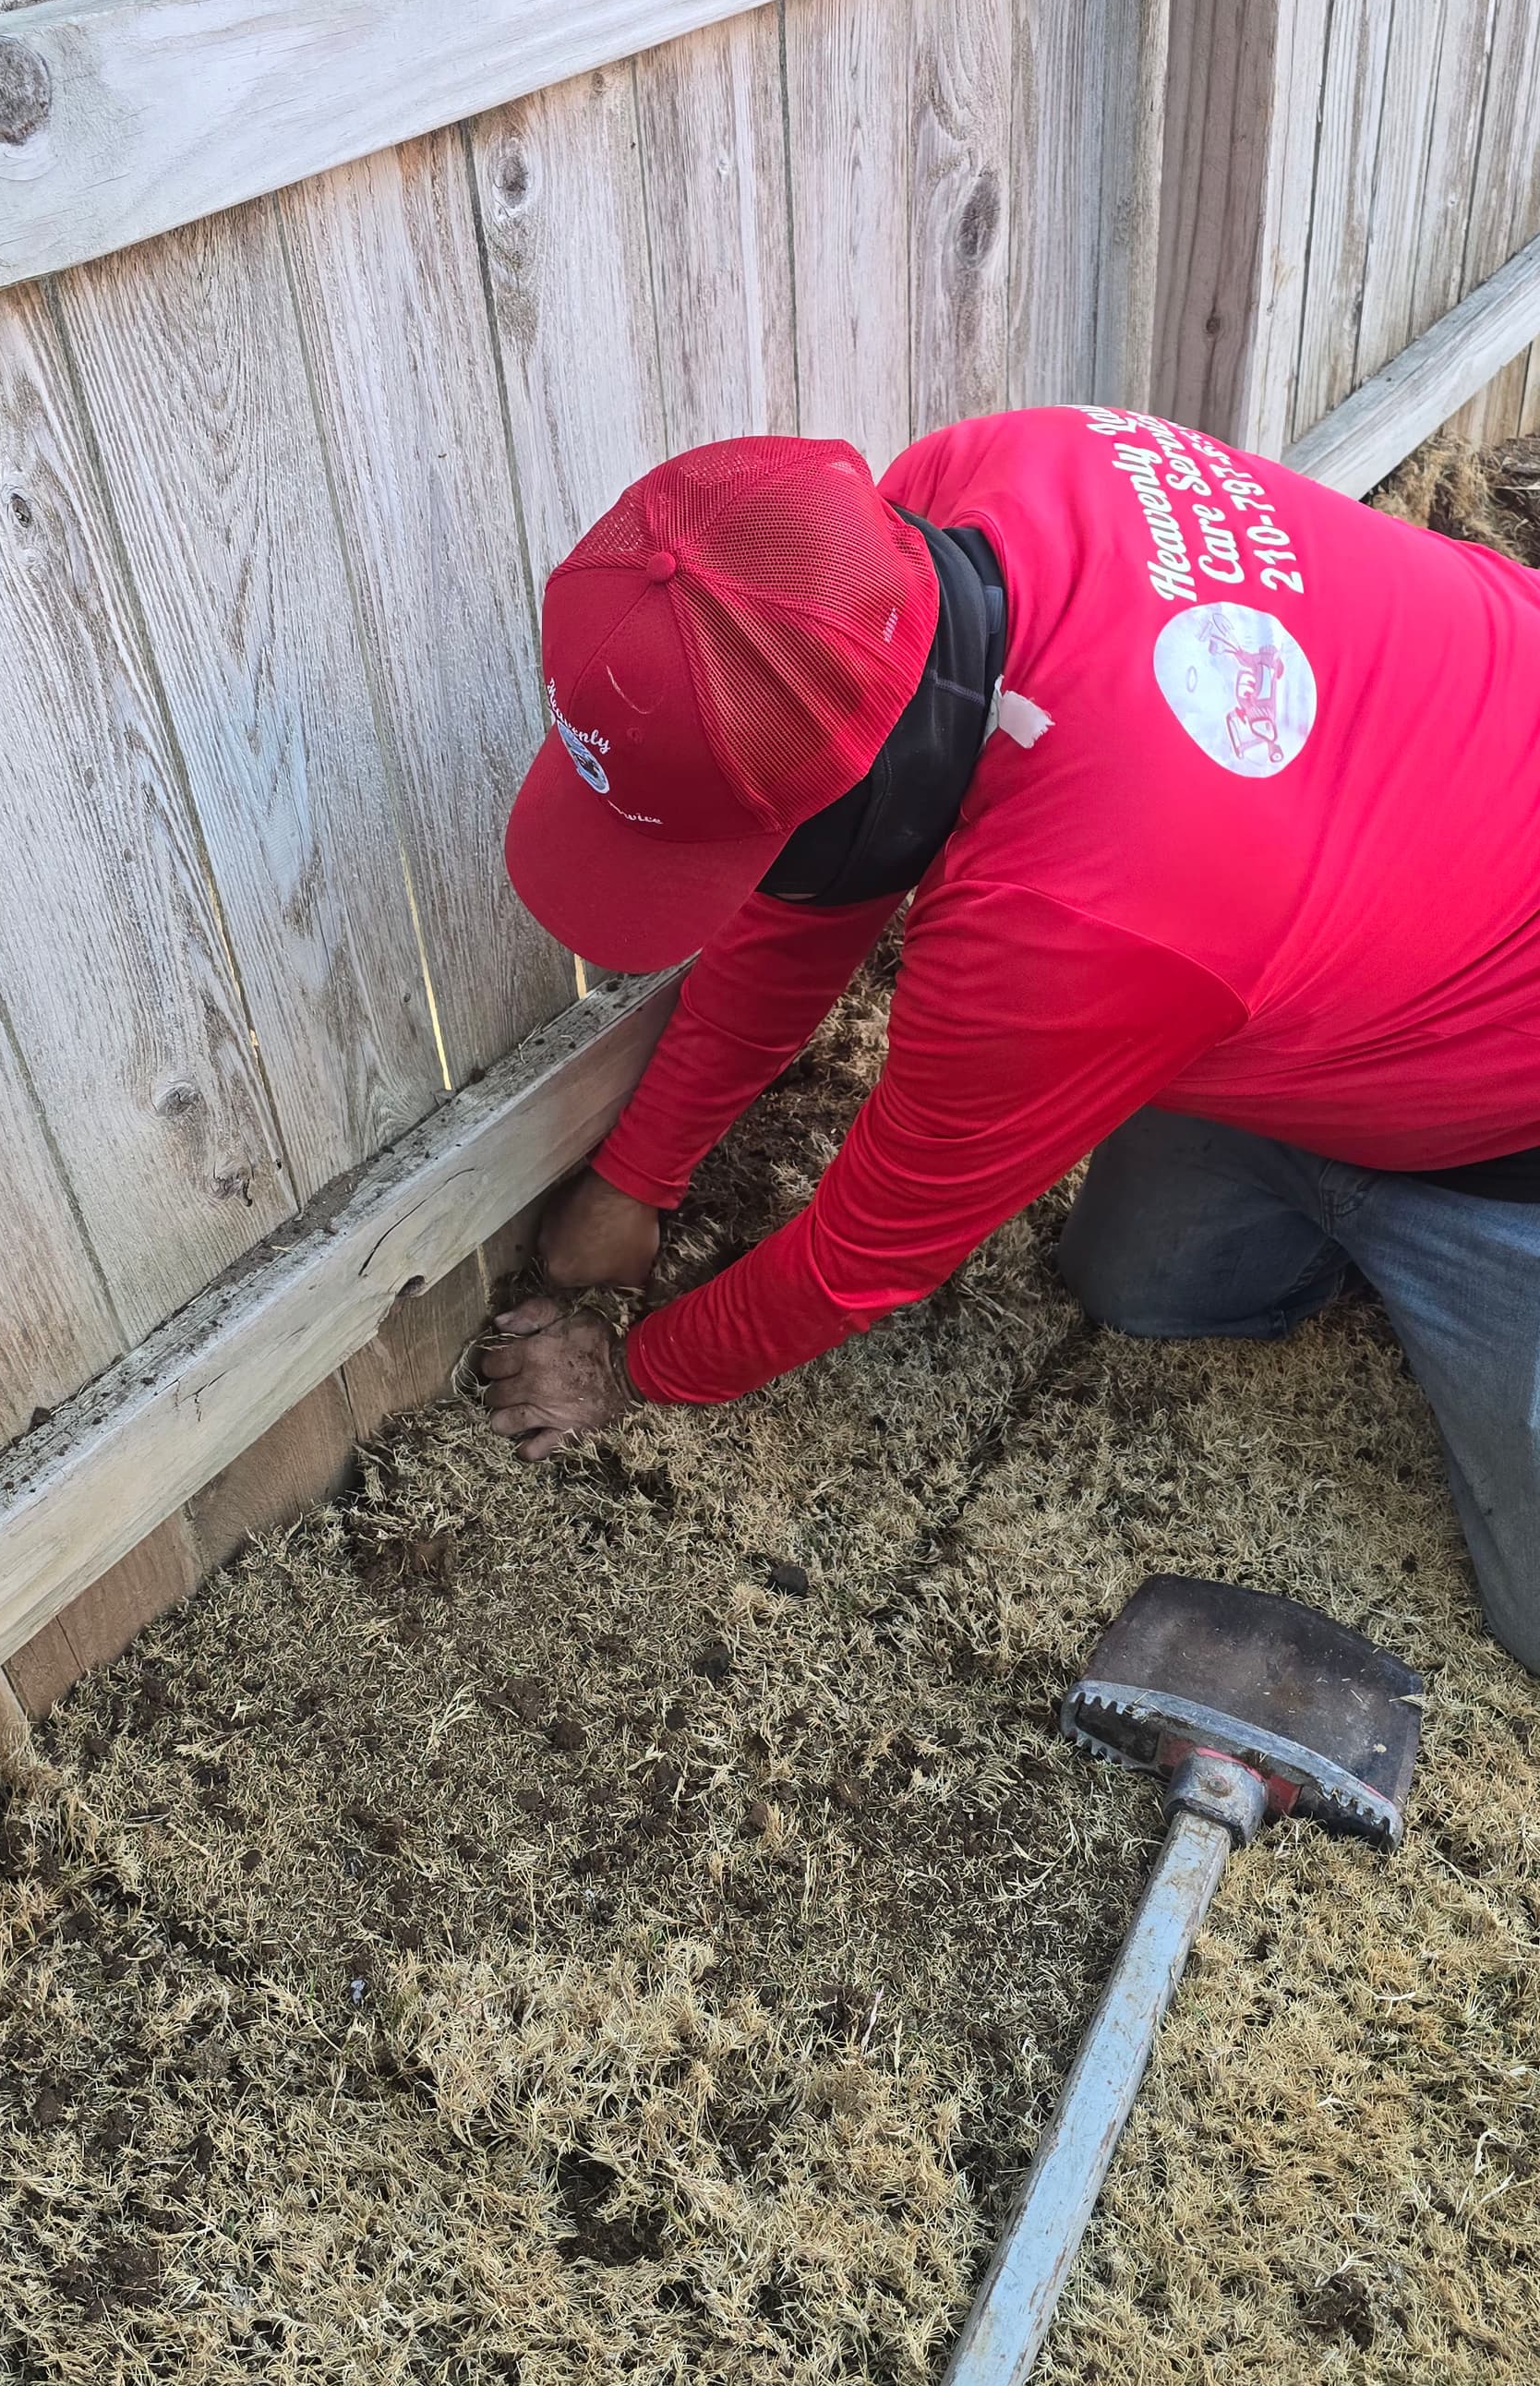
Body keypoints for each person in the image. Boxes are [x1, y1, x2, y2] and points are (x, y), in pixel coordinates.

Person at [478, 413, 1540, 1675]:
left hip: (1505, 1122)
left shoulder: (1071, 917)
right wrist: (636, 1174)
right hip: (1344, 908)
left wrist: (624, 1372)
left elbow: (865, 1255)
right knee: (1136, 1288)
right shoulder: (927, 518)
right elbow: (802, 906)